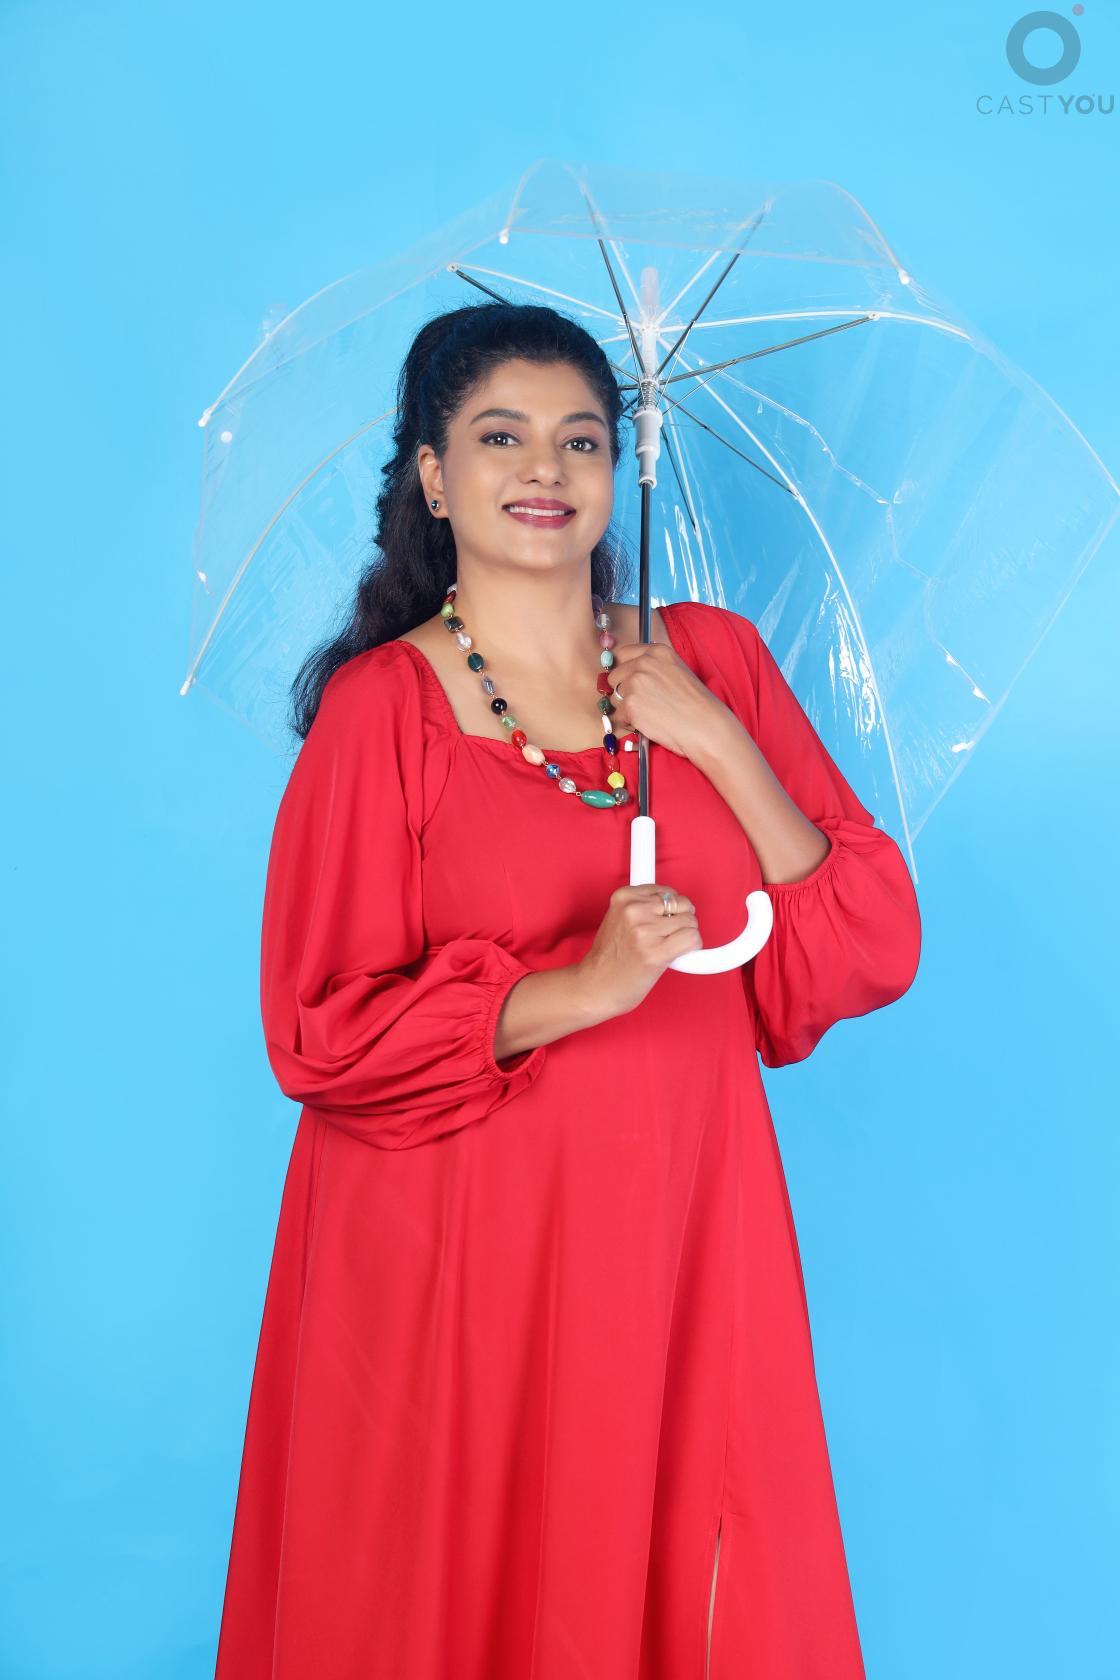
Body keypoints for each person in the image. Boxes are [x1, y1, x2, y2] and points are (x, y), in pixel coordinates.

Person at [212, 302, 922, 1680]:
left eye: (581, 440)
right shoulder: (383, 712)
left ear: (618, 469)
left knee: (698, 1569)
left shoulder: (711, 662)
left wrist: (716, 741)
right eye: (501, 437)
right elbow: (318, 1030)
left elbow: (864, 942)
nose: (545, 468)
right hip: (464, 1242)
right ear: (433, 476)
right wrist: (575, 988)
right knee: (467, 1580)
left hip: (686, 1218)